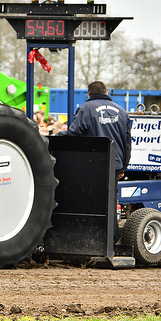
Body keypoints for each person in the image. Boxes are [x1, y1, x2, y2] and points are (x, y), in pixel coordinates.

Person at [57, 81, 132, 243]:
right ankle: (111, 239)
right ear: (106, 92)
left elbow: (74, 134)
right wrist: (123, 167)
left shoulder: (86, 108)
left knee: (90, 200)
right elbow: (127, 143)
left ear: (89, 94)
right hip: (115, 163)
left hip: (92, 163)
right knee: (110, 200)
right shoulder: (122, 112)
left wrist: (57, 135)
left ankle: (92, 238)